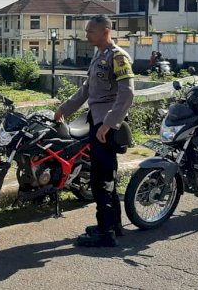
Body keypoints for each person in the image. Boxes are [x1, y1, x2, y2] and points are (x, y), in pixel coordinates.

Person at [54, 15, 135, 247]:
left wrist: (109, 123)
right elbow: (87, 89)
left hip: (106, 125)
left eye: (91, 31)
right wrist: (64, 108)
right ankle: (112, 225)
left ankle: (105, 232)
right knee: (105, 176)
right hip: (98, 121)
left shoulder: (118, 56)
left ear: (105, 31)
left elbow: (127, 93)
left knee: (101, 179)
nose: (86, 35)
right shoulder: (99, 56)